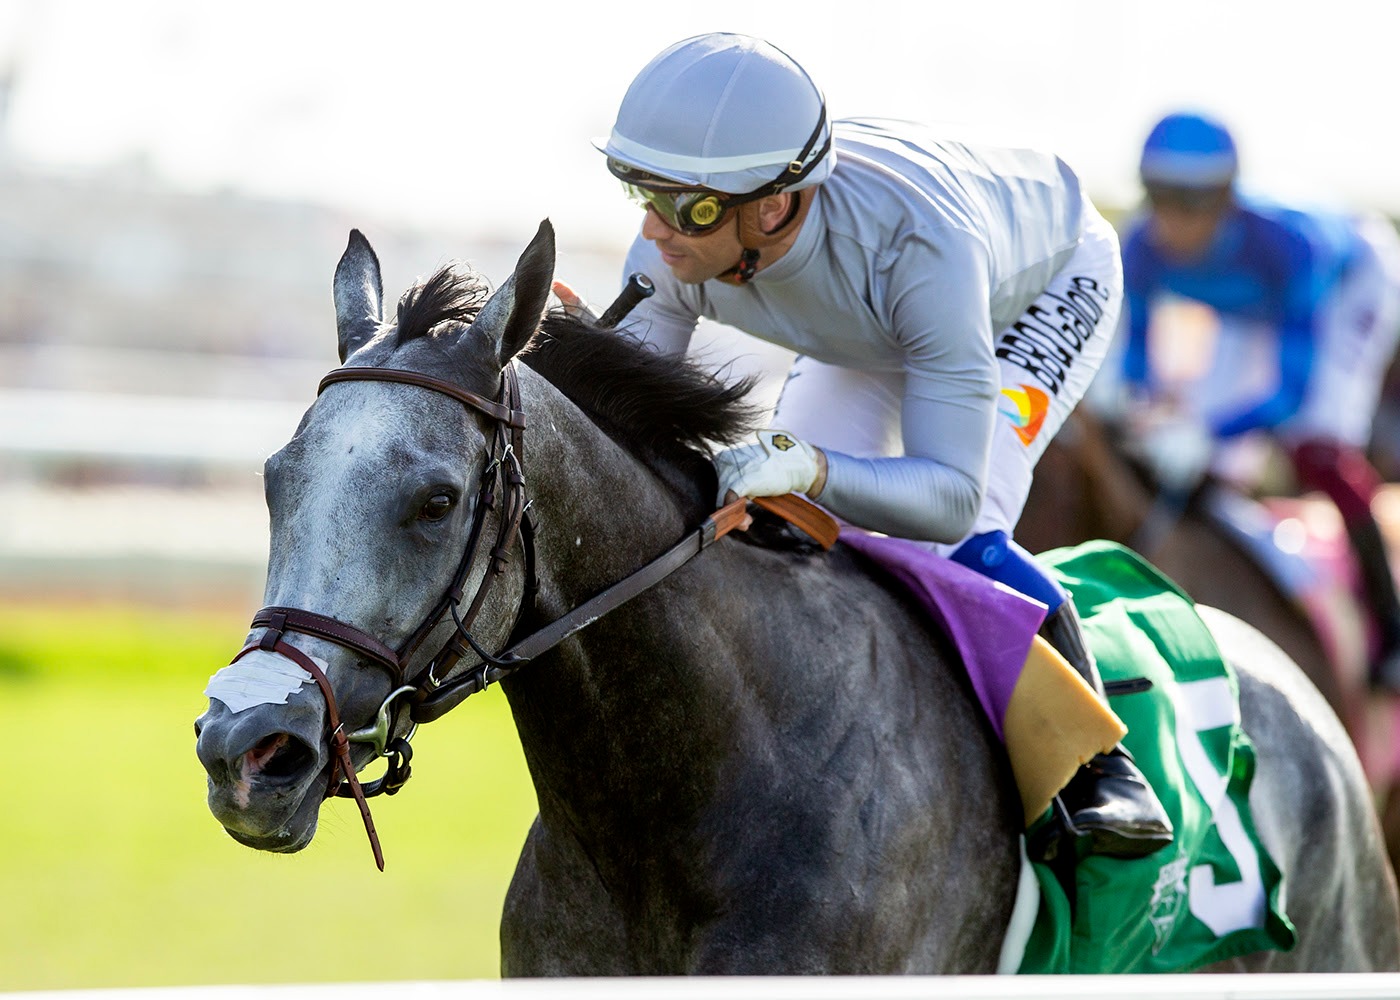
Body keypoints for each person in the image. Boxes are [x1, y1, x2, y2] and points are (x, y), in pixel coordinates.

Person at [575, 31, 1172, 862]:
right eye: (641, 190)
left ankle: (1102, 767)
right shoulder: (675, 244)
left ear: (773, 206)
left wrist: (818, 467)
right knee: (790, 518)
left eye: (687, 208)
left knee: (962, 531)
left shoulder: (922, 250)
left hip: (1034, 284)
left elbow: (949, 497)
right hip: (883, 309)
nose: (654, 230)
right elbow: (623, 427)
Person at [1117, 110, 1400, 686]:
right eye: (1159, 197)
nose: (1173, 220)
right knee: (1201, 458)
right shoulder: (1139, 246)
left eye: (1191, 202)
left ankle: (1390, 626)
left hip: (1351, 283)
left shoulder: (1289, 245)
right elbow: (1137, 366)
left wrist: (1209, 430)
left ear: (1226, 196)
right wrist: (1154, 417)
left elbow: (1291, 393)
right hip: (1252, 308)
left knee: (1315, 446)